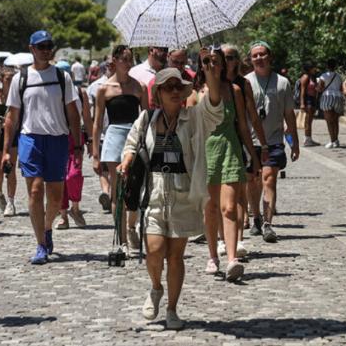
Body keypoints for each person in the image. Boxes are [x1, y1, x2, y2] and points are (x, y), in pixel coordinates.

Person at [118, 51, 224, 330]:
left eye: (179, 86)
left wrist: (210, 71)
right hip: (153, 193)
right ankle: (156, 287)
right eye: (169, 87)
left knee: (175, 256)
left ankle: (172, 309)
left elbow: (214, 106)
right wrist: (126, 161)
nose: (176, 91)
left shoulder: (194, 118)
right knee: (154, 250)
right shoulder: (146, 119)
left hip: (183, 194)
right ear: (158, 94)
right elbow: (132, 144)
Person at [2, 30, 82, 265]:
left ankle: (47, 228)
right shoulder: (21, 78)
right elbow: (11, 116)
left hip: (58, 140)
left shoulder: (62, 77)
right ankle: (40, 244)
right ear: (32, 49)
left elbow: (73, 114)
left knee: (55, 198)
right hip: (31, 139)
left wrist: (78, 145)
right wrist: (6, 150)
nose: (46, 50)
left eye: (49, 46)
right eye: (41, 46)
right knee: (35, 191)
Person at [199, 45, 260, 280]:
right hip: (206, 152)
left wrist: (254, 155)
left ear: (224, 65)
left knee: (230, 207)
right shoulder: (197, 92)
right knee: (211, 208)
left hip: (230, 149)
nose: (212, 65)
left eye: (216, 61)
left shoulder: (234, 90)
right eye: (207, 62)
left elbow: (243, 125)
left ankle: (232, 258)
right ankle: (213, 255)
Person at [92, 45, 148, 248]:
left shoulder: (139, 87)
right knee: (118, 191)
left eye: (130, 59)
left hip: (135, 136)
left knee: (136, 188)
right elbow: (98, 122)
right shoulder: (104, 89)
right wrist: (95, 153)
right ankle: (122, 240)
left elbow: (146, 117)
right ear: (115, 61)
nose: (128, 63)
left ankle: (131, 227)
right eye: (124, 59)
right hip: (114, 137)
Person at [246, 42, 300, 243]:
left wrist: (294, 142)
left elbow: (289, 114)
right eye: (255, 55)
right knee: (253, 181)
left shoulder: (283, 83)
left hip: (274, 140)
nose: (259, 58)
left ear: (270, 57)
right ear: (250, 60)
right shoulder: (245, 82)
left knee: (269, 178)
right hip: (251, 141)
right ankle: (256, 218)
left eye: (262, 54)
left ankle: (268, 224)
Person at [222, 44, 268, 259]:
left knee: (240, 191)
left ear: (237, 60)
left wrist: (263, 145)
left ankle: (238, 239)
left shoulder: (243, 84)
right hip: (216, 143)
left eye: (232, 57)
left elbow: (252, 117)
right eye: (224, 57)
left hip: (239, 140)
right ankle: (222, 238)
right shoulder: (211, 83)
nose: (228, 61)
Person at [54, 60, 91, 229]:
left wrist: (91, 140)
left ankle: (75, 208)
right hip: (57, 137)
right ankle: (63, 215)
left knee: (74, 175)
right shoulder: (52, 91)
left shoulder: (80, 92)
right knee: (60, 177)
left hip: (75, 138)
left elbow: (87, 118)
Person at [0, 67, 20, 216]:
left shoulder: (18, 96)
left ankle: (11, 202)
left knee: (10, 169)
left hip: (13, 135)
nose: (11, 81)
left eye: (13, 78)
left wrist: (10, 123)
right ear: (1, 80)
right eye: (8, 79)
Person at [87, 62, 112, 213]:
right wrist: (90, 137)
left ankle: (108, 192)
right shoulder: (95, 86)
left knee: (111, 168)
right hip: (101, 134)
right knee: (103, 168)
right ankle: (106, 192)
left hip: (115, 133)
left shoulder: (125, 84)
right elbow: (88, 113)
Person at [317, 59, 344, 148]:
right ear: (335, 66)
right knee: (335, 120)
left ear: (327, 66)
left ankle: (332, 141)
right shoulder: (339, 76)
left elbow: (320, 88)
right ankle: (336, 140)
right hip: (338, 97)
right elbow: (341, 88)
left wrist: (317, 88)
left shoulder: (323, 76)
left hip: (327, 96)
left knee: (329, 121)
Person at [298, 64, 320, 147]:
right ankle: (307, 139)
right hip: (308, 100)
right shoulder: (305, 77)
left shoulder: (312, 77)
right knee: (308, 120)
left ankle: (309, 138)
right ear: (310, 68)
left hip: (312, 99)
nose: (315, 69)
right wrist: (302, 103)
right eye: (313, 68)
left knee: (310, 120)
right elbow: (302, 91)